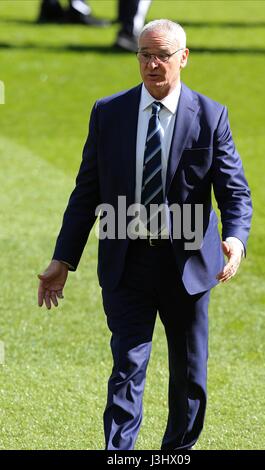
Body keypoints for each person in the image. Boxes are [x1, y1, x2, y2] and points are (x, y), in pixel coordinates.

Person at [37, 19, 252, 450]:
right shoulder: (108, 113)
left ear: (183, 58)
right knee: (127, 367)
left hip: (188, 265)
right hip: (126, 262)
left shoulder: (210, 117)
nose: (153, 64)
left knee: (189, 375)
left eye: (162, 56)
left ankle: (177, 453)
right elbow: (87, 192)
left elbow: (234, 191)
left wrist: (236, 239)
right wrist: (63, 259)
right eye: (144, 55)